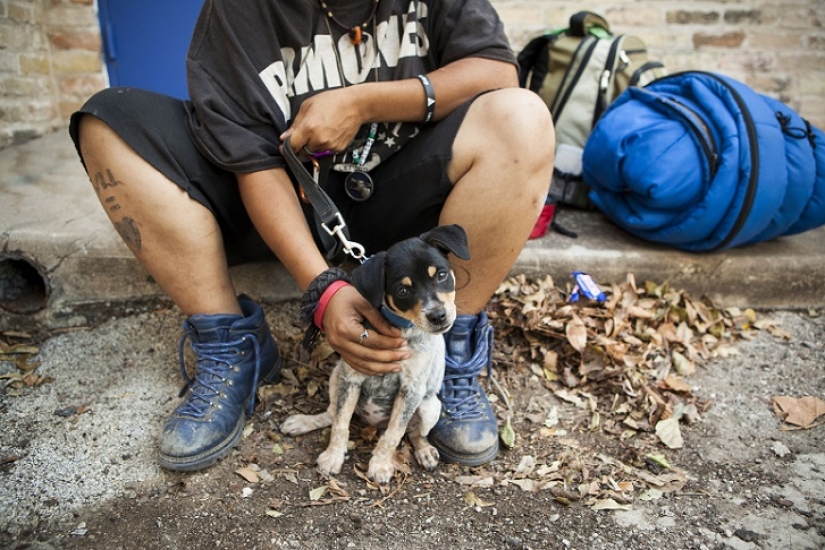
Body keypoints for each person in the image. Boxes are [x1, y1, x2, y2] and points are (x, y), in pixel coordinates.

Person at [69, 0, 554, 472]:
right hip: (277, 201)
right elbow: (248, 155)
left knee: (522, 117)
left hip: (403, 198)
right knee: (108, 120)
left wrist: (364, 102)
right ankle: (232, 343)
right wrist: (322, 290)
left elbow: (496, 71)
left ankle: (451, 352)